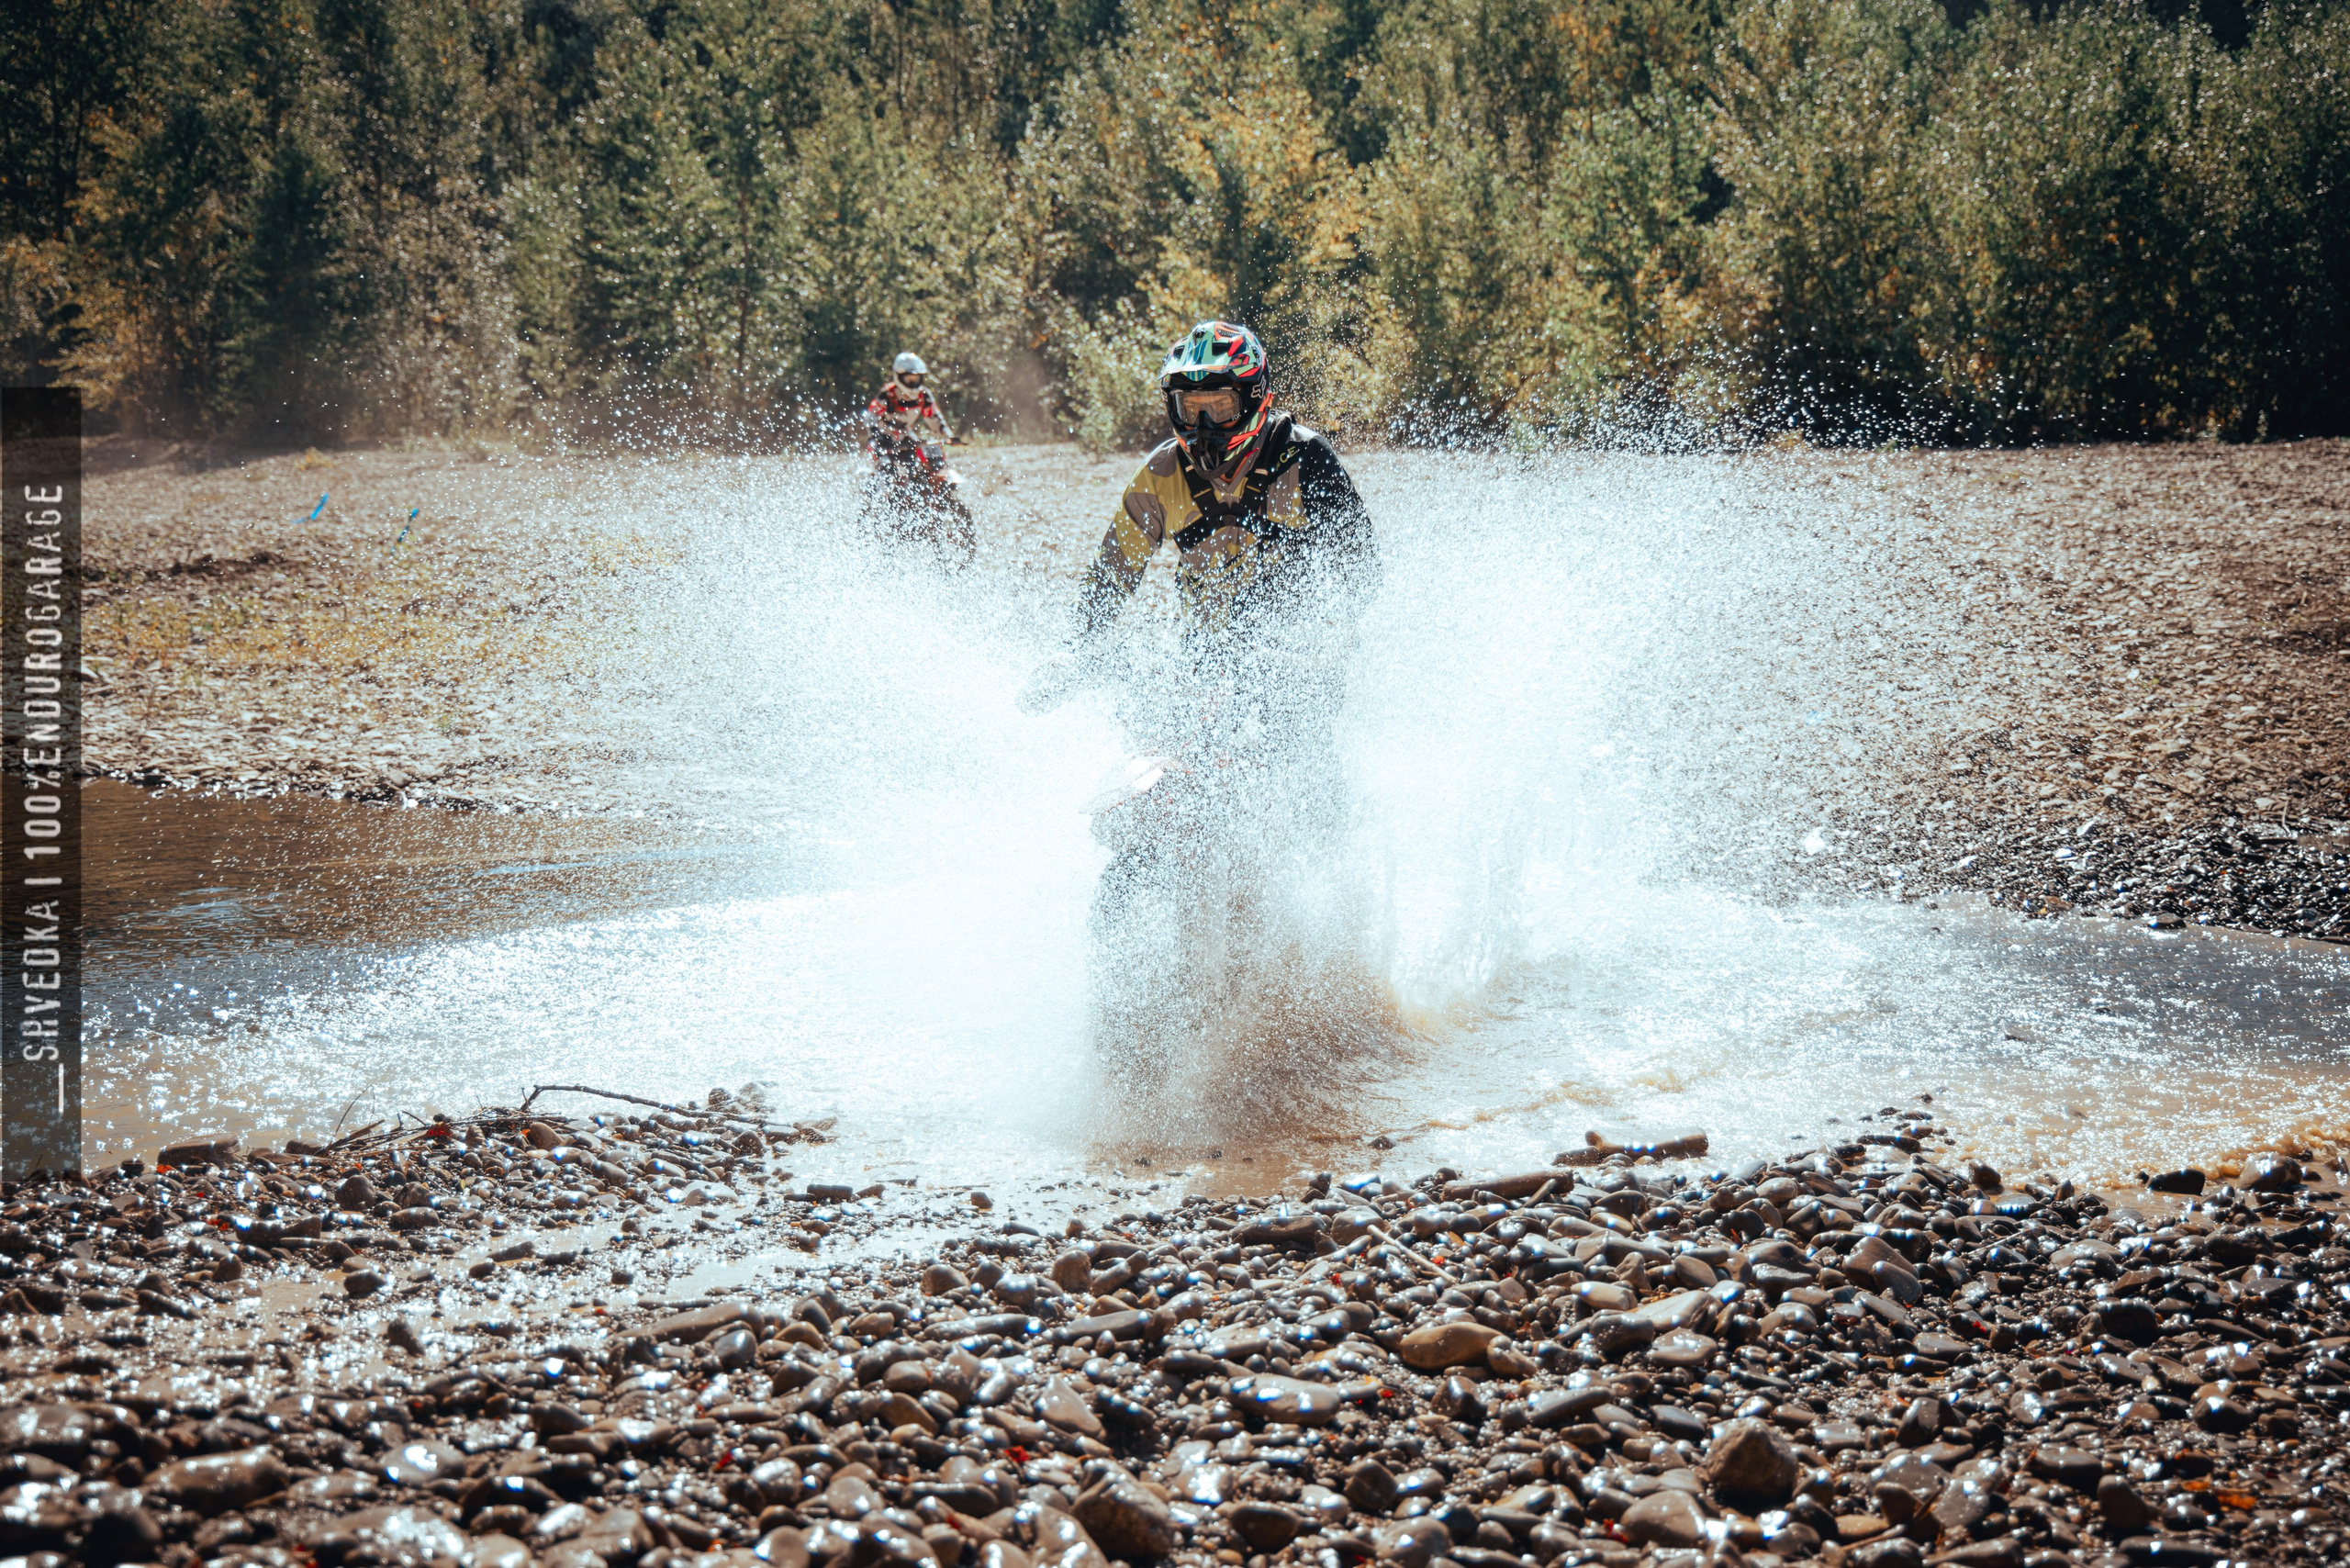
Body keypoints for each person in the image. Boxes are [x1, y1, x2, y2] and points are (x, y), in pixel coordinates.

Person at [1068, 320, 1372, 654]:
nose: (1203, 426)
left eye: (1220, 407)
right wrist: (1074, 651)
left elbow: (1361, 571)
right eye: (1191, 408)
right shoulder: (1159, 475)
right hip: (1203, 654)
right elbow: (1110, 575)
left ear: (1256, 398)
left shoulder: (1307, 460)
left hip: (1298, 648)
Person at [867, 352, 957, 449]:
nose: (913, 384)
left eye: (916, 379)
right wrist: (875, 434)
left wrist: (949, 436)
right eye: (909, 379)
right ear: (899, 376)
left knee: (928, 454)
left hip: (905, 435)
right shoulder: (887, 394)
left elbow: (934, 418)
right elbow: (871, 417)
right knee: (885, 462)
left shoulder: (923, 395)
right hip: (882, 437)